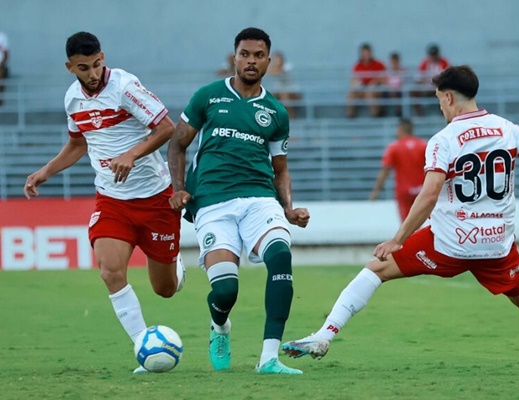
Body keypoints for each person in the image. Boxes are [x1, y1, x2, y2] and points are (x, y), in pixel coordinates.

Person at [282, 65, 519, 375]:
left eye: (439, 99)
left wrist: (398, 238)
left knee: (376, 269)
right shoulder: (509, 129)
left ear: (449, 97)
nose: (440, 106)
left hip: (449, 242)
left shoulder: (444, 140)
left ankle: (325, 334)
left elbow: (428, 196)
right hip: (496, 244)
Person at [23, 32, 185, 374]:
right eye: (84, 67)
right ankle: (144, 345)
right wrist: (45, 172)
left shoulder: (125, 87)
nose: (93, 73)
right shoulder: (72, 100)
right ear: (70, 67)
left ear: (103, 57)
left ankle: (175, 266)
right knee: (110, 271)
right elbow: (79, 144)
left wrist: (131, 154)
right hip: (112, 199)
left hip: (155, 198)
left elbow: (167, 127)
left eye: (97, 64)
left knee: (165, 289)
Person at [167, 27, 310, 375]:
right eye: (245, 54)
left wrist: (288, 207)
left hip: (260, 199)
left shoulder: (276, 112)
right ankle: (220, 328)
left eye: (258, 56)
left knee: (281, 257)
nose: (250, 61)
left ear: (269, 62)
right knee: (226, 289)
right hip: (212, 201)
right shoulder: (209, 97)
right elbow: (176, 144)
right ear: (235, 57)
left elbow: (280, 168)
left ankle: (269, 358)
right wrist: (178, 189)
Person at [370, 118, 427, 222]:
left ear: (400, 129)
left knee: (406, 225)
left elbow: (385, 170)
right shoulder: (423, 145)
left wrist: (376, 190)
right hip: (422, 190)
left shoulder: (394, 147)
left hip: (404, 191)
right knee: (425, 224)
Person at [347, 43, 387, 118]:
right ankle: (351, 115)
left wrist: (374, 82)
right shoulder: (357, 66)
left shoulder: (379, 64)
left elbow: (384, 79)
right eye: (363, 54)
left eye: (367, 53)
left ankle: (375, 115)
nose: (365, 56)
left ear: (371, 53)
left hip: (376, 89)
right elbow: (353, 81)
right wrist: (356, 85)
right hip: (362, 89)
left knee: (370, 93)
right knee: (351, 95)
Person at [411, 44, 449, 116]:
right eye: (432, 55)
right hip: (427, 87)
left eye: (435, 54)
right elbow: (418, 78)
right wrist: (424, 83)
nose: (434, 57)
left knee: (445, 92)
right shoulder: (425, 63)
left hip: (439, 86)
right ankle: (420, 113)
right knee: (413, 92)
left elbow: (447, 76)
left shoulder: (444, 62)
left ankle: (444, 113)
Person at [266, 51, 302, 119]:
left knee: (285, 96)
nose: (276, 61)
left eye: (277, 59)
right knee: (270, 96)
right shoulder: (273, 68)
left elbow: (280, 72)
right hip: (279, 91)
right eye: (275, 60)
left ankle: (291, 117)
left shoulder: (287, 66)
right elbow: (268, 72)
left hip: (292, 91)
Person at [386, 52, 406, 116]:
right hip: (390, 91)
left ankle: (398, 111)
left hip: (400, 91)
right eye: (392, 62)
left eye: (395, 62)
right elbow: (385, 82)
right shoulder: (387, 72)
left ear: (398, 61)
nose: (394, 64)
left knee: (395, 93)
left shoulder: (403, 71)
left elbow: (403, 83)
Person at [0, 30, 9, 106]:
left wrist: (2, 64)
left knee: (1, 72)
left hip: (0, 65)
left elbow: (6, 53)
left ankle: (1, 99)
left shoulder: (2, 36)